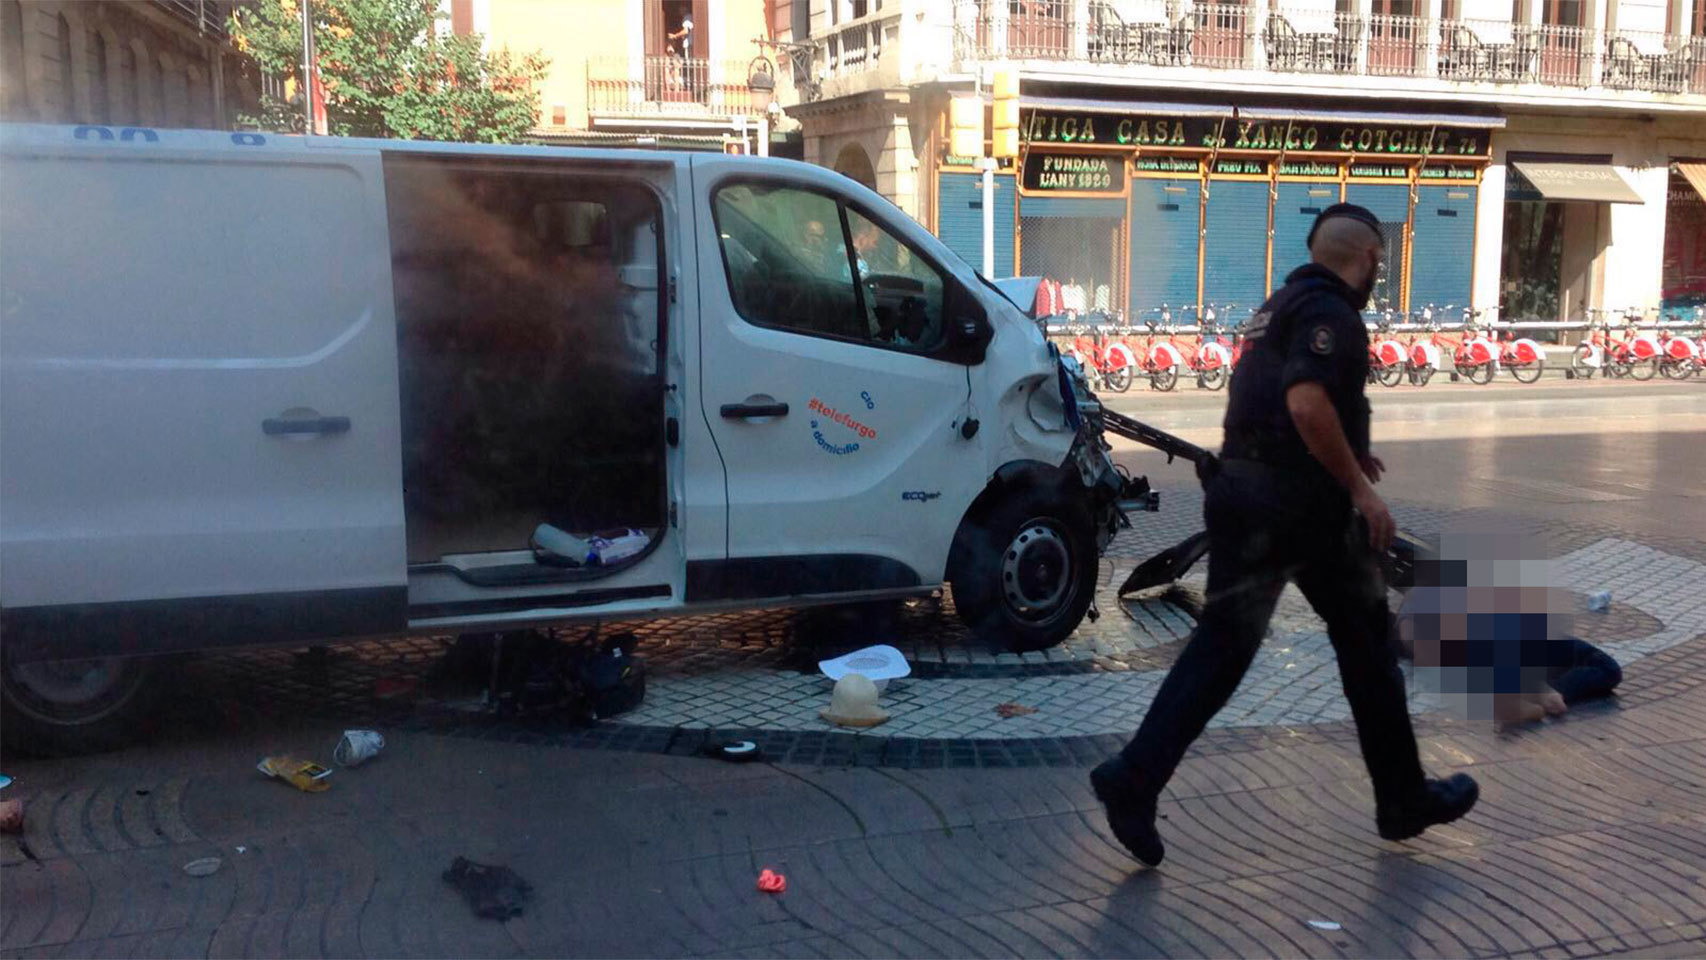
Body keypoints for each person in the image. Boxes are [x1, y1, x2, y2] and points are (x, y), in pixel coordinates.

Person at [1090, 204, 1479, 867]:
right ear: (1367, 261)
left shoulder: (1276, 306)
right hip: (1299, 511)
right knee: (1366, 644)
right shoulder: (1333, 313)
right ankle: (1402, 798)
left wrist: (1352, 456)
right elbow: (1304, 401)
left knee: (1222, 649)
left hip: (1243, 493)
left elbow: (1275, 406)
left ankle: (1135, 776)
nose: (1374, 278)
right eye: (1377, 266)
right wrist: (1358, 487)